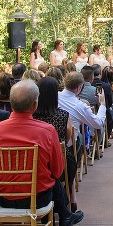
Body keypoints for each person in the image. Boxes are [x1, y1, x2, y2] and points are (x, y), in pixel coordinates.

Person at [0, 80, 83, 226]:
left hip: (3, 198)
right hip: (38, 199)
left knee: (47, 182)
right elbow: (58, 171)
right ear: (34, 104)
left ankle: (63, 223)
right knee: (51, 183)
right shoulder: (46, 130)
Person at [34, 76, 77, 211]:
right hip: (59, 163)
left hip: (34, 162)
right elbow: (67, 137)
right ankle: (72, 200)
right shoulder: (63, 115)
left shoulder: (32, 115)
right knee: (71, 157)